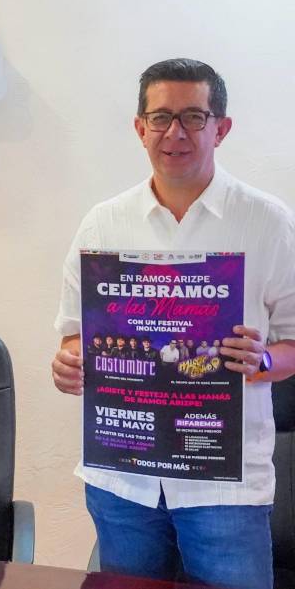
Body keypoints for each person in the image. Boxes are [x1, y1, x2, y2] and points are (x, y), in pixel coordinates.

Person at [50, 58, 295, 589]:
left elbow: (293, 343)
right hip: (123, 478)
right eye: (160, 117)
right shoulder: (103, 223)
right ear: (140, 128)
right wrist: (69, 363)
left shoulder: (267, 221)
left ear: (221, 128)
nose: (175, 132)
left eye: (193, 117)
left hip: (224, 485)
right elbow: (74, 335)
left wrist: (264, 359)